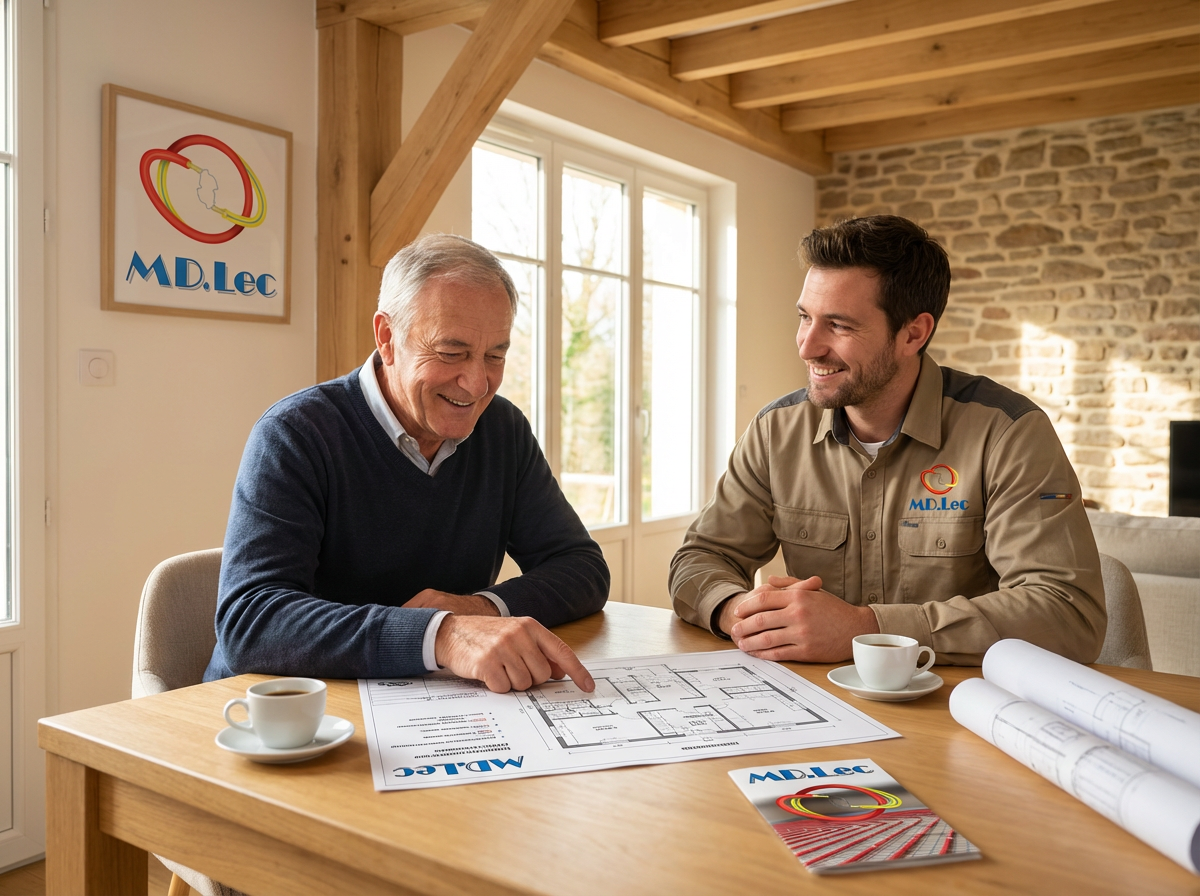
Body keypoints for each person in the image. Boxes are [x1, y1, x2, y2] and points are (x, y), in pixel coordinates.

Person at [670, 215, 1105, 666]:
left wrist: (867, 630)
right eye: (805, 317)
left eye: (838, 325)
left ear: (913, 333)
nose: (806, 346)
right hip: (812, 694)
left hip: (958, 697)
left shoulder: (1008, 434)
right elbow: (700, 558)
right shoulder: (775, 432)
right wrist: (742, 613)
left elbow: (1069, 615)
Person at [204, 234, 608, 692]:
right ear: (387, 338)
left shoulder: (502, 429)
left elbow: (582, 567)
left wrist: (480, 608)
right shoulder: (296, 433)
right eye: (452, 353)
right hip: (282, 709)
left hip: (427, 702)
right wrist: (440, 635)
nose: (477, 383)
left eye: (495, 355)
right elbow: (251, 620)